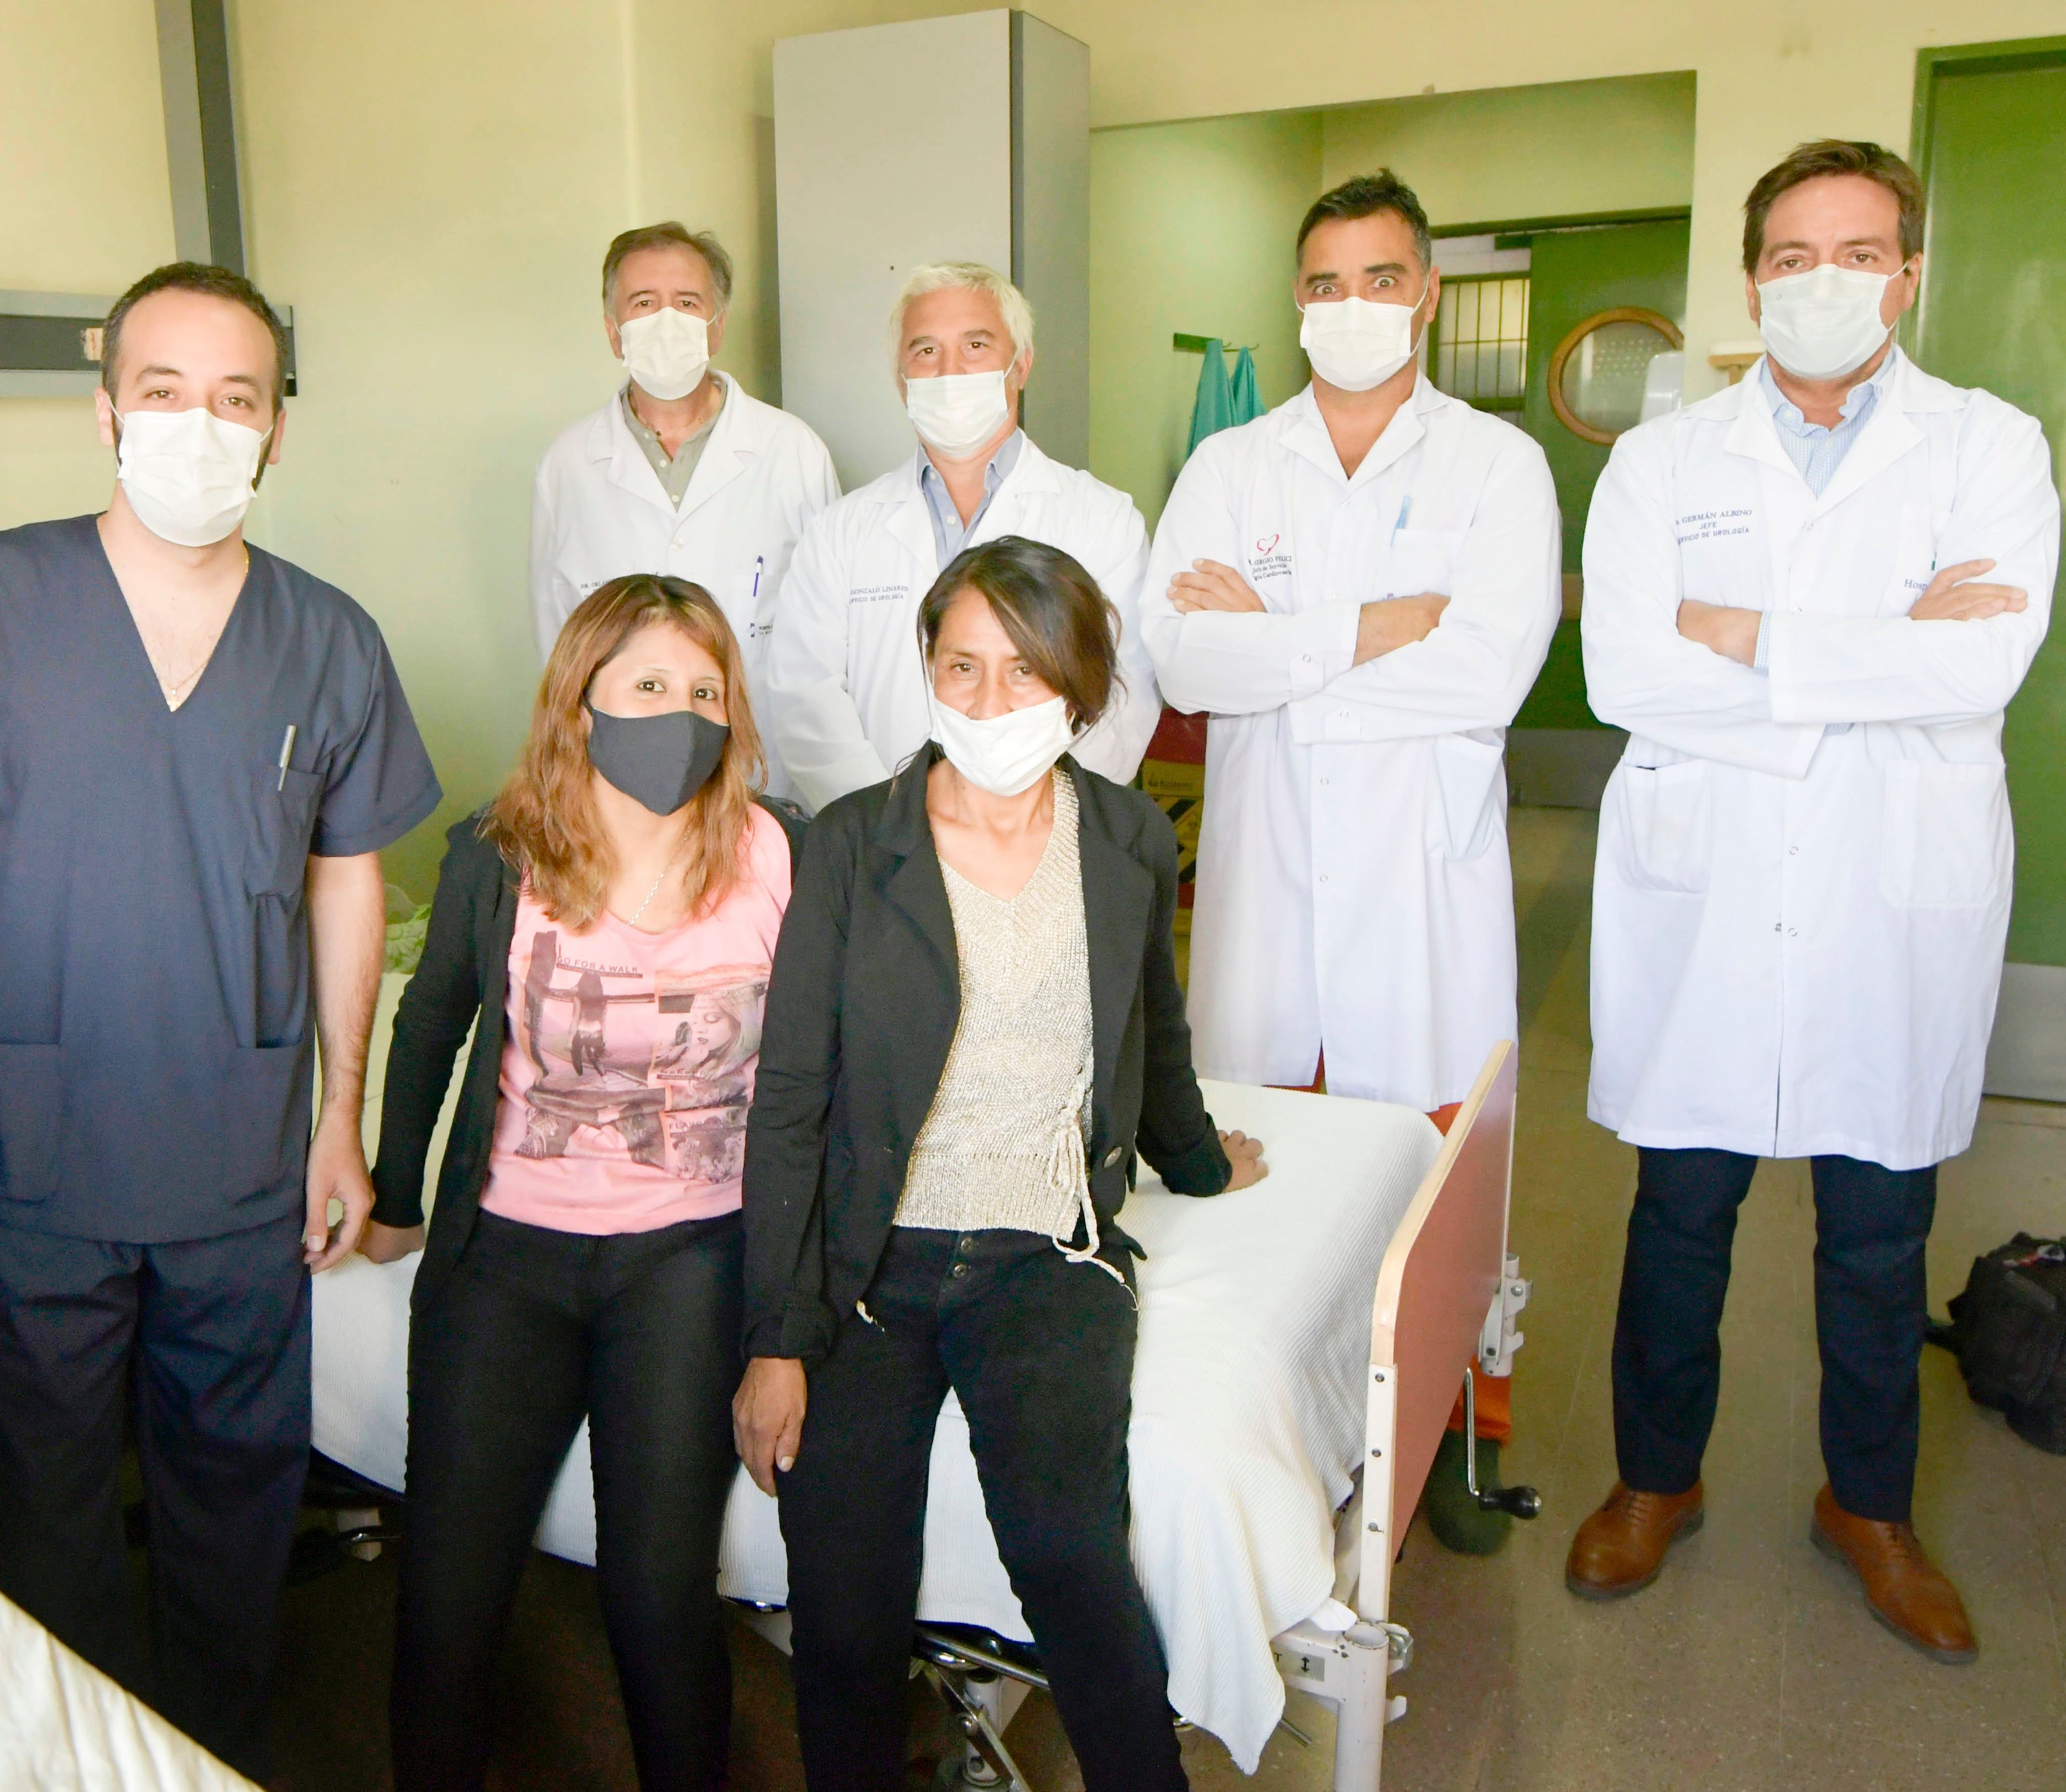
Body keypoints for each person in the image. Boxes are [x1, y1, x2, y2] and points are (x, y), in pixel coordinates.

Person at [0, 261, 441, 1769]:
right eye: (165, 391)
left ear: (275, 434)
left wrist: (338, 1115)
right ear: (104, 409)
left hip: (239, 1153)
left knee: (233, 1503)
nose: (200, 424)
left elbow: (346, 884)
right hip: (25, 1138)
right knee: (34, 1510)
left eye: (236, 399)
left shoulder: (330, 640)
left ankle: (213, 1747)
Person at [1571, 140, 2058, 1662]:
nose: (1822, 281)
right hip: (1710, 893)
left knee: (1875, 1226)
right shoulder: (1664, 460)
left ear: (1909, 272)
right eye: (1790, 255)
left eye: (1856, 252)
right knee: (1681, 1212)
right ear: (1752, 279)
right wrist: (1874, 645)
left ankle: (1872, 1506)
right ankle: (1656, 1479)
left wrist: (1748, 640)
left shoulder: (1992, 445)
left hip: (1887, 894)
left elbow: (1977, 665)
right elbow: (1627, 673)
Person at [737, 535, 1268, 1792]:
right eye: (960, 667)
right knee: (843, 1590)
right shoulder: (854, 847)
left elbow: (1155, 1029)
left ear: (1080, 690)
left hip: (1047, 1260)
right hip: (870, 1276)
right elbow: (792, 1097)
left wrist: (1197, 1163)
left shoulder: (1130, 841)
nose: (988, 703)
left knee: (1070, 1554)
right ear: (922, 670)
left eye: (1024, 673)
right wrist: (773, 1335)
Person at [1136, 169, 1561, 1536]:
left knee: (1430, 1163)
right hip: (1267, 871)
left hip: (1418, 876)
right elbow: (1185, 657)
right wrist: (1377, 623)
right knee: (1265, 1159)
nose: (1354, 306)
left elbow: (1485, 672)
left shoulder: (1496, 466)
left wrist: (1281, 634)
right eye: (1325, 284)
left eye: (1382, 279)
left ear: (1426, 293)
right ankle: (1283, 1436)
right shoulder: (1229, 464)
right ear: (1298, 303)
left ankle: (1447, 1437)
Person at [371, 574, 802, 1792]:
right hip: (506, 1254)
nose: (682, 712)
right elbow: (430, 1030)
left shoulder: (778, 855)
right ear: (581, 701)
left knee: (657, 1591)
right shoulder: (497, 856)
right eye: (650, 686)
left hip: (690, 1253)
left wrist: (792, 1313)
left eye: (706, 689)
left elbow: (821, 1076)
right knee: (449, 1587)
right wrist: (394, 1195)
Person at [767, 264, 1159, 812]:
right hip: (880, 847)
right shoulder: (841, 531)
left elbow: (1125, 694)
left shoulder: (1100, 520)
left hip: (1042, 838)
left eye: (975, 345)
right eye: (924, 350)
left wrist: (1036, 823)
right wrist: (889, 826)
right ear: (901, 379)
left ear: (1020, 365)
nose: (949, 371)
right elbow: (803, 698)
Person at [529, 223, 839, 794]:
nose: (665, 321)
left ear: (716, 326)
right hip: (618, 775)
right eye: (643, 304)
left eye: (687, 302)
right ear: (613, 332)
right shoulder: (568, 465)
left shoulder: (793, 450)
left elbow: (830, 633)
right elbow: (559, 638)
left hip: (764, 766)